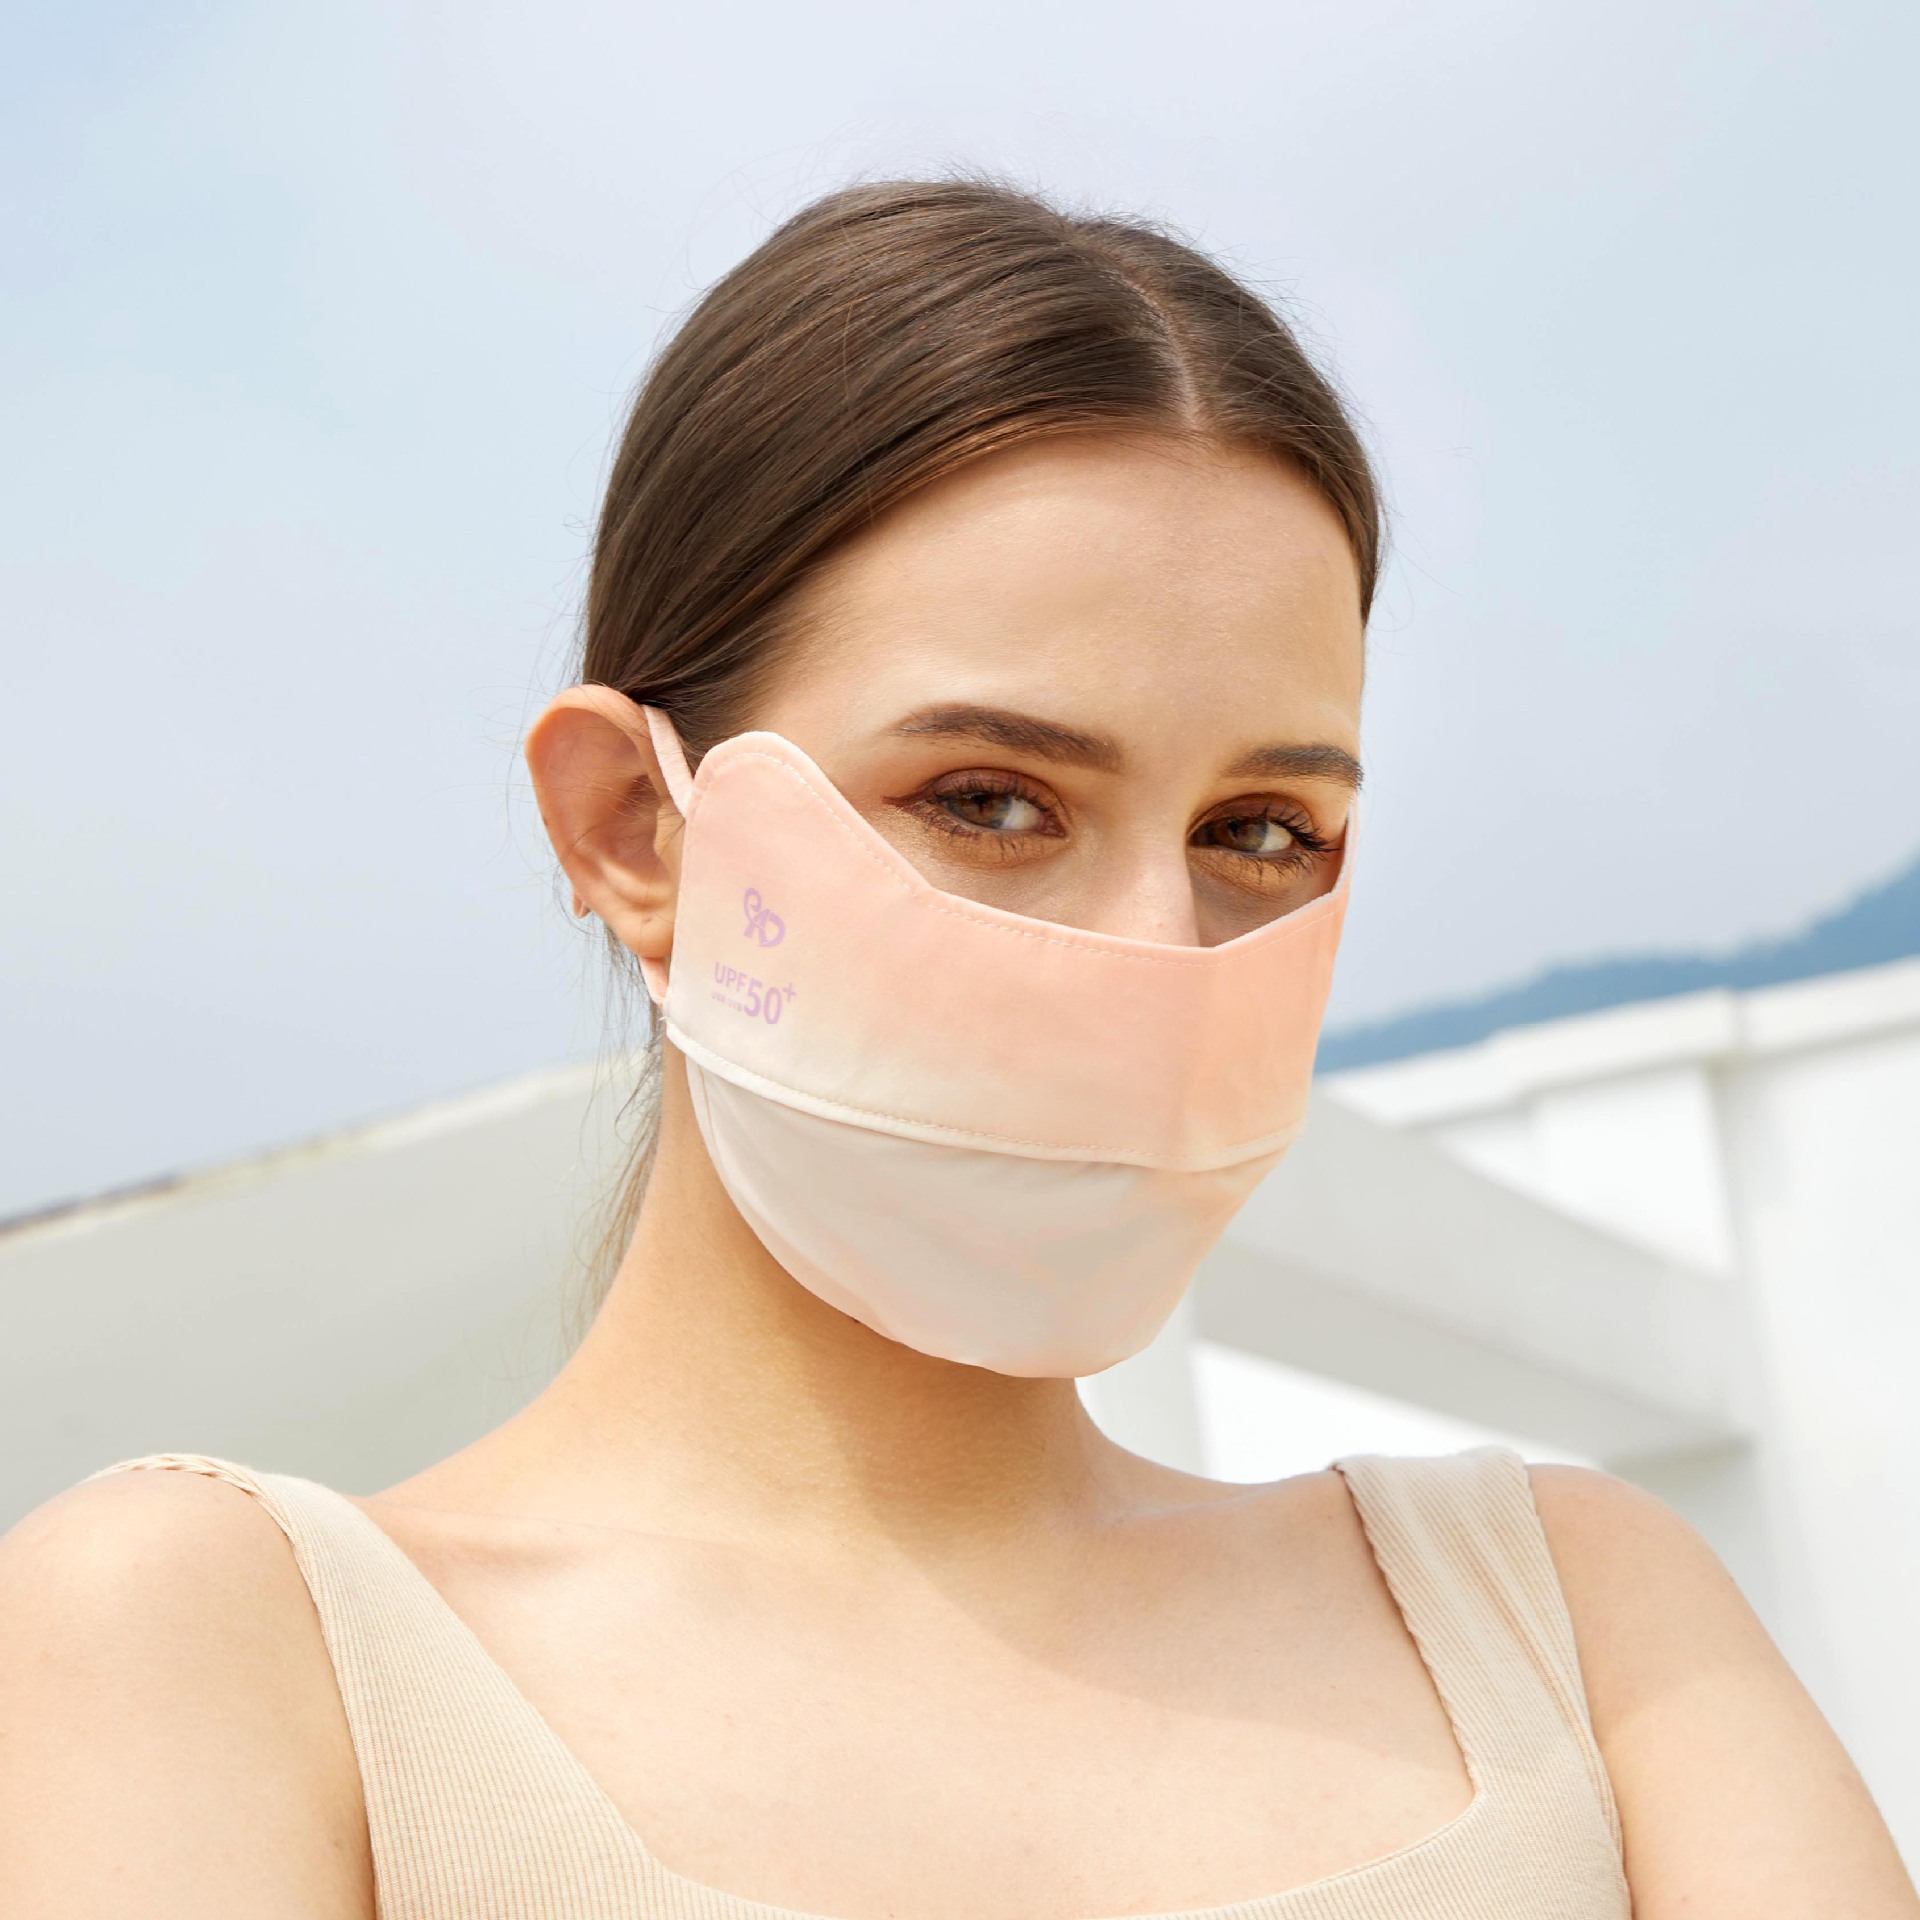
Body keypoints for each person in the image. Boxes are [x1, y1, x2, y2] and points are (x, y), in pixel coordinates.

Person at [0, 179, 1911, 1920]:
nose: (1158, 960)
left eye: (1262, 833)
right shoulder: (234, 1649)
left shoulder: (1574, 1622)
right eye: (990, 798)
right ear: (633, 829)